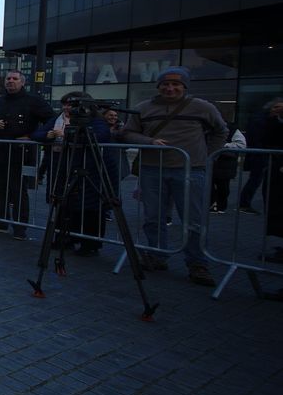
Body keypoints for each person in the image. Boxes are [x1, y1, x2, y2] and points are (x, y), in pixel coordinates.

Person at [120, 66, 227, 286]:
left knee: (193, 219)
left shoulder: (202, 107)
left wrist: (208, 156)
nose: (170, 88)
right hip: (152, 169)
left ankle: (197, 263)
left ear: (184, 87)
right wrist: (149, 142)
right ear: (158, 86)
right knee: (153, 217)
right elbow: (129, 132)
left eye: (176, 84)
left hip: (190, 170)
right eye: (165, 84)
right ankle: (157, 255)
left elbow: (221, 131)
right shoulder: (144, 108)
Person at [0, 70, 54, 240]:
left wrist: (33, 136)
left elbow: (51, 119)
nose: (11, 81)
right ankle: (0, 221)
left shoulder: (33, 101)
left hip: (20, 154)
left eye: (15, 79)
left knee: (18, 190)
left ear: (22, 82)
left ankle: (20, 227)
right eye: (8, 79)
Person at [32, 91, 112, 256]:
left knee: (90, 206)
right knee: (62, 202)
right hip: (61, 167)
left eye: (72, 104)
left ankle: (90, 243)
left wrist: (70, 135)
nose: (68, 108)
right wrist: (48, 135)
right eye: (66, 104)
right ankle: (64, 238)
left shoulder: (96, 120)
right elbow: (37, 134)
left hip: (88, 168)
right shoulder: (56, 119)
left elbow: (101, 136)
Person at [240, 98, 283, 214]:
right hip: (261, 154)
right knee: (256, 179)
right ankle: (244, 203)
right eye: (277, 107)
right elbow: (257, 137)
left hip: (269, 154)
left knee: (264, 181)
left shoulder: (274, 120)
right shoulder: (260, 119)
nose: (279, 109)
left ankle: (253, 204)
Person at [210, 128, 246, 214]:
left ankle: (220, 206)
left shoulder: (233, 130)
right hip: (213, 161)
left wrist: (224, 146)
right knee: (209, 184)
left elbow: (241, 145)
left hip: (225, 162)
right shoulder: (206, 127)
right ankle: (213, 204)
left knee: (223, 186)